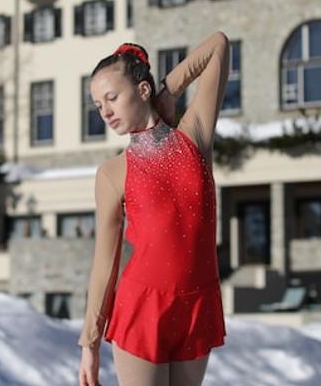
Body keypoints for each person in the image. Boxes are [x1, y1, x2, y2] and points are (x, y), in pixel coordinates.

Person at [77, 32, 230, 386]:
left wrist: (168, 91)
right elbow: (106, 260)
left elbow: (218, 46)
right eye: (99, 105)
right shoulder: (112, 173)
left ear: (142, 90)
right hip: (142, 307)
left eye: (112, 97)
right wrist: (90, 341)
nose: (106, 111)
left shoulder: (194, 137)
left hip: (197, 302)